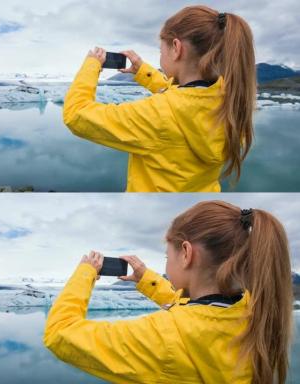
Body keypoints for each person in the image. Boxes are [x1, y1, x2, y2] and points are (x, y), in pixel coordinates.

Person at [44, 201, 293, 383]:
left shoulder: (162, 336)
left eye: (167, 255)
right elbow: (201, 313)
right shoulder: (253, 309)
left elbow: (60, 332)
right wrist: (148, 280)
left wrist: (85, 273)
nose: (165, 263)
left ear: (186, 253)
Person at [62, 6, 256, 192]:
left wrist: (91, 65)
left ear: (176, 47)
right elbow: (187, 98)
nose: (160, 57)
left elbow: (76, 114)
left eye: (160, 50)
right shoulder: (230, 99)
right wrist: (144, 72)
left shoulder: (157, 116)